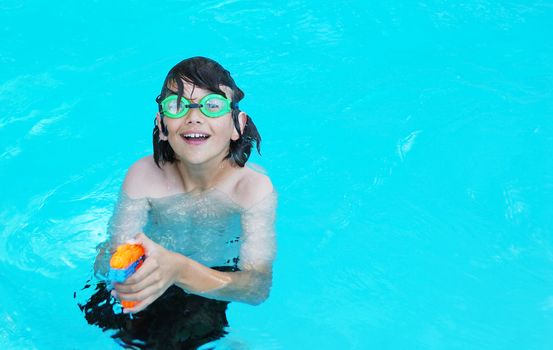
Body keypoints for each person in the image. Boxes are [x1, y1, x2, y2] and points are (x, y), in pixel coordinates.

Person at [81, 56, 277, 349]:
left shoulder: (252, 189)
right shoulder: (143, 176)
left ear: (238, 124)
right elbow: (116, 249)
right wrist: (117, 269)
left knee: (188, 334)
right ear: (162, 124)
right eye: (176, 106)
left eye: (212, 105)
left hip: (208, 282)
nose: (193, 117)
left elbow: (257, 287)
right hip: (146, 271)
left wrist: (180, 270)